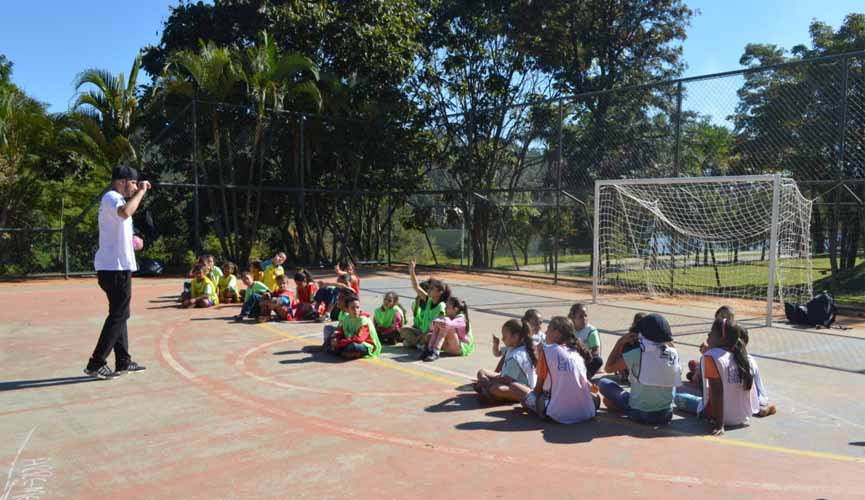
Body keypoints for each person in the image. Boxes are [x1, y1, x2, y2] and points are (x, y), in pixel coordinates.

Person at [85, 165, 150, 380]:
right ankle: (96, 363)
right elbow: (125, 213)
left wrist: (132, 241)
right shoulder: (112, 197)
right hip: (114, 268)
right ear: (122, 181)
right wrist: (141, 191)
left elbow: (120, 224)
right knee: (119, 314)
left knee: (121, 313)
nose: (134, 187)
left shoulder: (117, 201)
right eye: (133, 183)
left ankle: (123, 361)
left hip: (117, 267)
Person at [675, 319, 760, 436]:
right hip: (743, 417)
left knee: (678, 398)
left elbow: (717, 390)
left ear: (722, 338)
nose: (708, 334)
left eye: (712, 332)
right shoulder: (746, 358)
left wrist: (719, 424)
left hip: (723, 418)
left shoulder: (712, 356)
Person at [509, 316, 597, 424]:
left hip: (557, 414)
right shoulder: (576, 354)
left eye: (549, 328)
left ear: (557, 333)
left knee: (515, 387)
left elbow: (538, 388)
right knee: (593, 398)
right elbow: (586, 384)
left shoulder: (547, 351)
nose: (545, 332)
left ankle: (536, 407)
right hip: (585, 412)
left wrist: (529, 400)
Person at [598, 313, 681, 425]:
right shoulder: (673, 353)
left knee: (603, 383)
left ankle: (621, 406)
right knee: (670, 382)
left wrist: (620, 342)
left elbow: (608, 368)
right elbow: (668, 347)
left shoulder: (637, 354)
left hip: (639, 414)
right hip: (665, 415)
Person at [476, 318, 537, 404]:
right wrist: (486, 380)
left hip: (521, 389)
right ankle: (488, 390)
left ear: (515, 337)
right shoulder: (512, 347)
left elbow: (506, 380)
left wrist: (488, 383)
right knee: (482, 372)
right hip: (508, 380)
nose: (502, 339)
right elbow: (497, 354)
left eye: (504, 336)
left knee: (496, 389)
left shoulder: (517, 356)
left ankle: (494, 394)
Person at [400, 260, 449, 350]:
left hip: (433, 334)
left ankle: (418, 343)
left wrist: (424, 335)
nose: (429, 290)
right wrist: (411, 271)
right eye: (429, 288)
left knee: (429, 336)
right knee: (403, 330)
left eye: (432, 289)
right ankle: (419, 344)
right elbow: (416, 287)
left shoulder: (442, 306)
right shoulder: (429, 300)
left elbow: (438, 328)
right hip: (422, 332)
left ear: (439, 292)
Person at [423, 297, 474, 361]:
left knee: (445, 324)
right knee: (431, 333)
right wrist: (436, 322)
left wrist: (437, 321)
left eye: (447, 307)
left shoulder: (461, 318)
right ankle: (430, 350)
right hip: (452, 346)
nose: (445, 308)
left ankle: (436, 351)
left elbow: (447, 325)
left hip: (461, 349)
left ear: (455, 309)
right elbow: (431, 327)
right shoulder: (448, 317)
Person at [569, 303, 603, 378]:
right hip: (571, 360)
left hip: (585, 361)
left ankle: (585, 377)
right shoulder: (568, 329)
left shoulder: (591, 330)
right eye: (580, 316)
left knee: (598, 360)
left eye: (585, 315)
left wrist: (584, 354)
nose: (584, 318)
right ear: (573, 318)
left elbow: (596, 352)